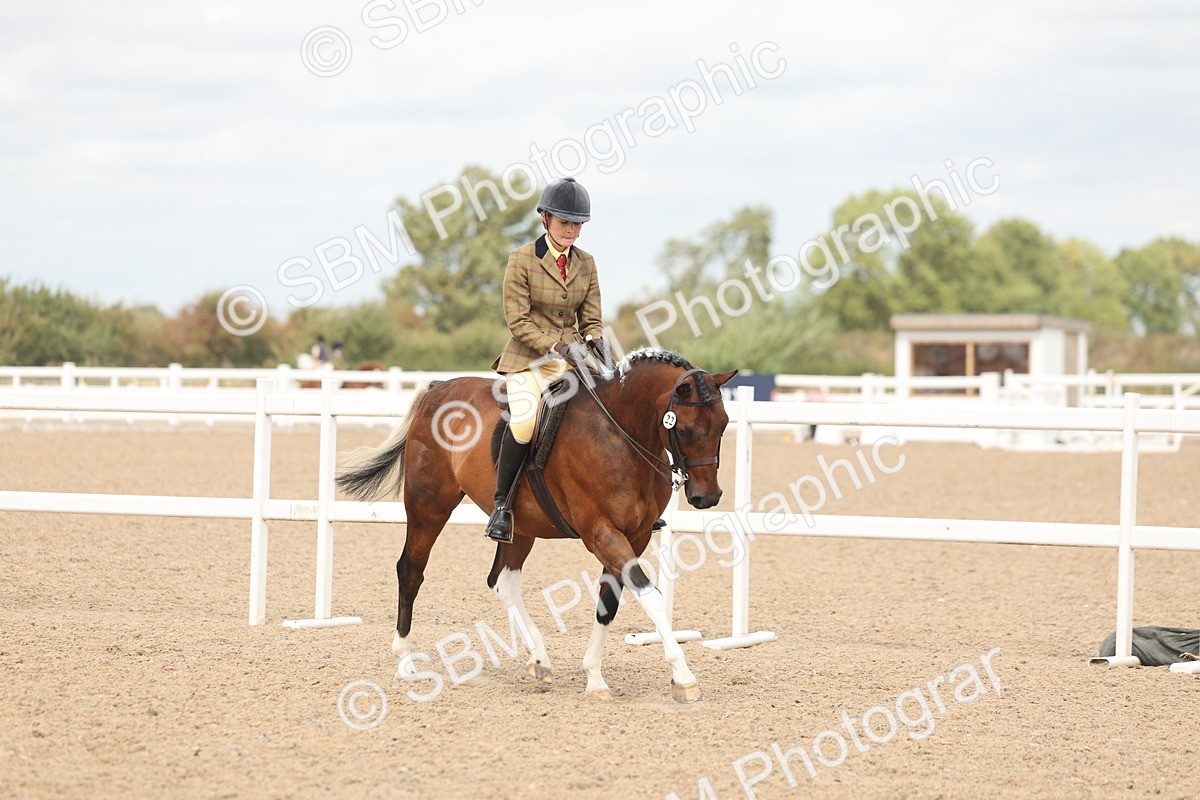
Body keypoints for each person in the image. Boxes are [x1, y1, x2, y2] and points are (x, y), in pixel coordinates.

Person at [484, 177, 608, 543]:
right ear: (545, 219)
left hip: (574, 358)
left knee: (610, 408)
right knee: (524, 422)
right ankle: (502, 507)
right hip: (529, 360)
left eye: (578, 224)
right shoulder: (522, 259)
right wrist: (555, 347)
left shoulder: (586, 263)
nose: (572, 230)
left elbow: (591, 319)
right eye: (564, 222)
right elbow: (518, 321)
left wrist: (597, 341)